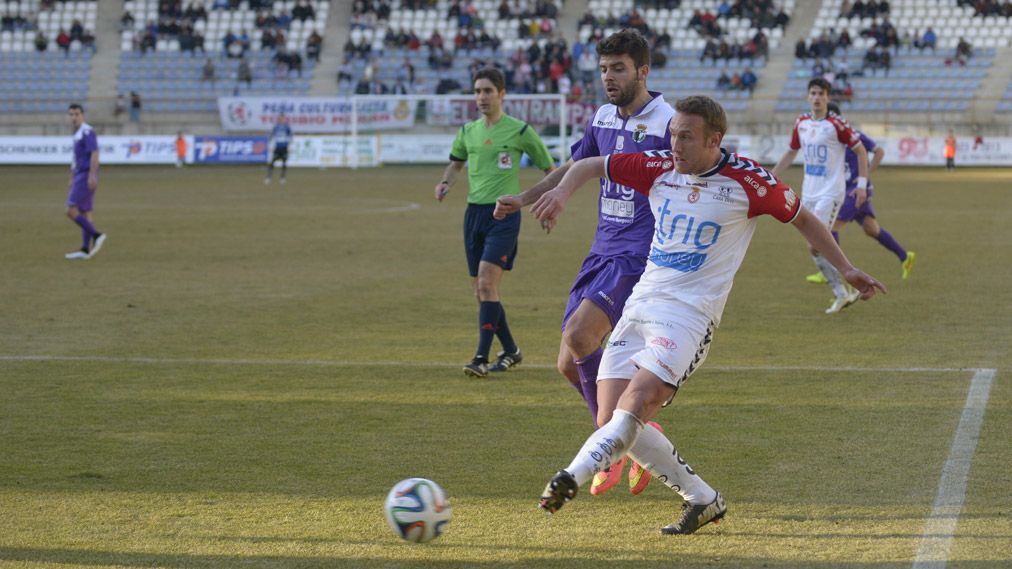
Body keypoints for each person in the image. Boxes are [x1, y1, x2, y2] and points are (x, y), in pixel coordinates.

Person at [533, 95, 886, 534]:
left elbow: (802, 218)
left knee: (638, 402)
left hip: (689, 316)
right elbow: (590, 165)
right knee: (610, 420)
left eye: (685, 137)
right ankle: (703, 498)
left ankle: (569, 476)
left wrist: (847, 267)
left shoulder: (750, 181)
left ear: (714, 140)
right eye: (673, 134)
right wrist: (562, 191)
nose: (674, 144)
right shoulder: (657, 165)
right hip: (640, 304)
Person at [494, 29, 674, 496]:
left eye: (619, 68)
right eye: (604, 69)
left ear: (643, 70)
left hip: (640, 253)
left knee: (579, 335)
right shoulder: (602, 117)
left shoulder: (666, 123)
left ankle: (608, 446)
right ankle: (639, 436)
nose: (609, 77)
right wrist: (526, 196)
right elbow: (575, 166)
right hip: (602, 250)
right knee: (568, 365)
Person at [434, 67, 555, 378]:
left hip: (504, 214)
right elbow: (456, 163)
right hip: (473, 215)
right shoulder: (468, 131)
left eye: (487, 91)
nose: (481, 97)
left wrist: (550, 204)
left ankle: (479, 358)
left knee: (487, 284)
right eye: (477, 91)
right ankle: (511, 350)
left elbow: (550, 168)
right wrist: (445, 183)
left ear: (502, 94)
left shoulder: (520, 131)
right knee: (481, 291)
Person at [772, 78, 870, 314]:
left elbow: (861, 150)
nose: (817, 97)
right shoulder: (802, 123)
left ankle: (845, 289)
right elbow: (792, 150)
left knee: (813, 244)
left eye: (821, 94)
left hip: (830, 192)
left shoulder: (837, 124)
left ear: (828, 97)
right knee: (815, 247)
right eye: (813, 93)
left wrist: (862, 185)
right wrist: (772, 175)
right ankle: (846, 290)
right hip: (809, 191)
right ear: (808, 96)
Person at [805, 102, 915, 284]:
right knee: (872, 229)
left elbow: (878, 151)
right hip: (843, 189)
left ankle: (832, 271)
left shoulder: (853, 135)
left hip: (855, 190)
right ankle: (905, 256)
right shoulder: (828, 139)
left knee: (831, 228)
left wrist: (866, 175)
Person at [64, 103, 107, 260]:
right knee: (85, 211)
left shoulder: (87, 131)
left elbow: (95, 153)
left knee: (70, 210)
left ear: (82, 115)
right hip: (79, 174)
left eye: (76, 114)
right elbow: (77, 158)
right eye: (71, 114)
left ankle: (97, 235)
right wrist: (72, 176)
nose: (73, 117)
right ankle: (84, 249)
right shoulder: (77, 134)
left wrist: (91, 175)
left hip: (85, 175)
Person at [265, 113, 293, 185]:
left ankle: (282, 178)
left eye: (283, 118)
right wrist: (270, 145)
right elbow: (271, 136)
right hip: (277, 147)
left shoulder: (287, 127)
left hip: (284, 148)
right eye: (281, 118)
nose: (282, 120)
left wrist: (290, 146)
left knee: (284, 163)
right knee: (272, 162)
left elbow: (290, 136)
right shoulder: (276, 127)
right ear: (279, 119)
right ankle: (268, 177)